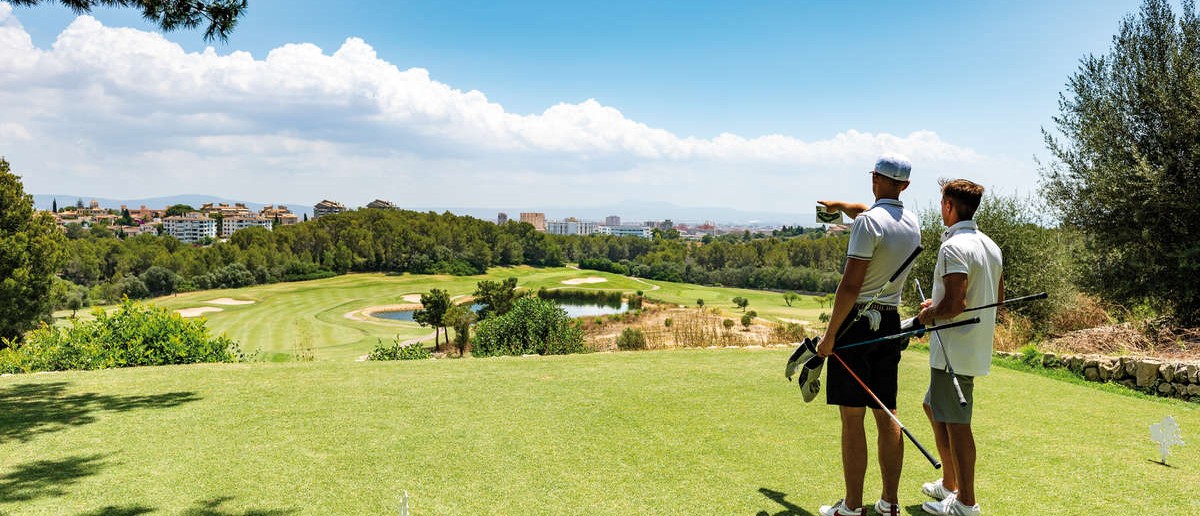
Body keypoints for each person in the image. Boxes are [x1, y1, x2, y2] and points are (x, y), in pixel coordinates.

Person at [794, 155, 921, 516]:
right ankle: (890, 504)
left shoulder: (867, 224)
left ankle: (852, 507)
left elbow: (850, 286)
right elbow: (867, 210)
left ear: (875, 178)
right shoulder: (911, 223)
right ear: (906, 186)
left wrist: (829, 336)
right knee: (887, 413)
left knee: (852, 416)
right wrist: (840, 206)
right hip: (891, 323)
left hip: (856, 324)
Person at [915, 179, 1003, 516]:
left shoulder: (952, 247)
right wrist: (936, 302)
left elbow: (956, 304)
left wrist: (928, 315)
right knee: (931, 405)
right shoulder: (991, 246)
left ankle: (966, 502)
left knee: (957, 423)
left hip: (954, 350)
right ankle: (949, 483)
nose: (941, 208)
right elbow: (996, 298)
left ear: (950, 206)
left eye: (942, 203)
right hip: (972, 347)